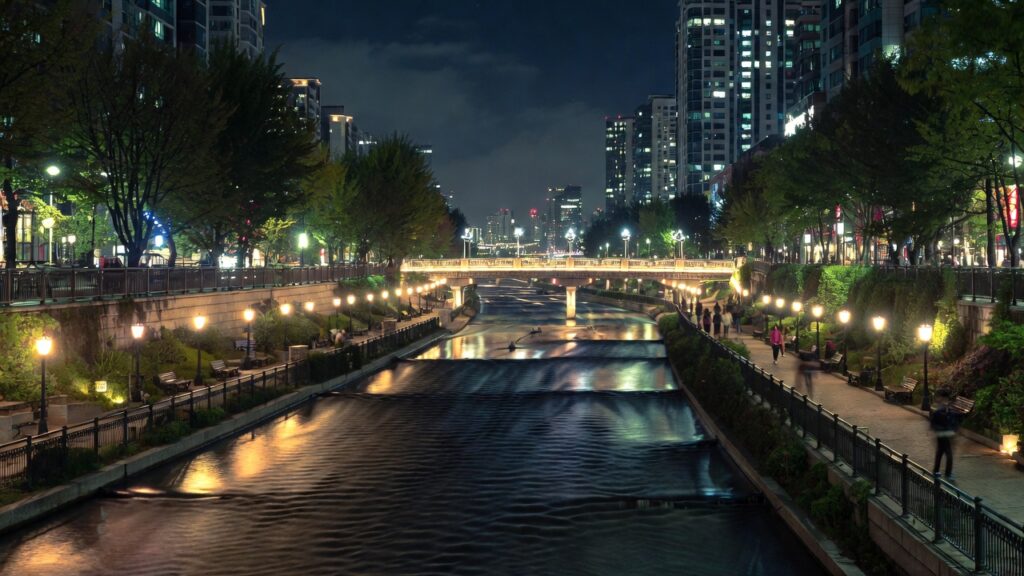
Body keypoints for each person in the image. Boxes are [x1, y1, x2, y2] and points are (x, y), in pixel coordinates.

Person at [930, 389, 959, 480]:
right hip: (943, 434)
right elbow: (934, 424)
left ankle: (937, 470)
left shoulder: (946, 411)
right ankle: (948, 473)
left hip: (944, 434)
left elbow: (953, 422)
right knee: (948, 454)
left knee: (940, 452)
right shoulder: (940, 412)